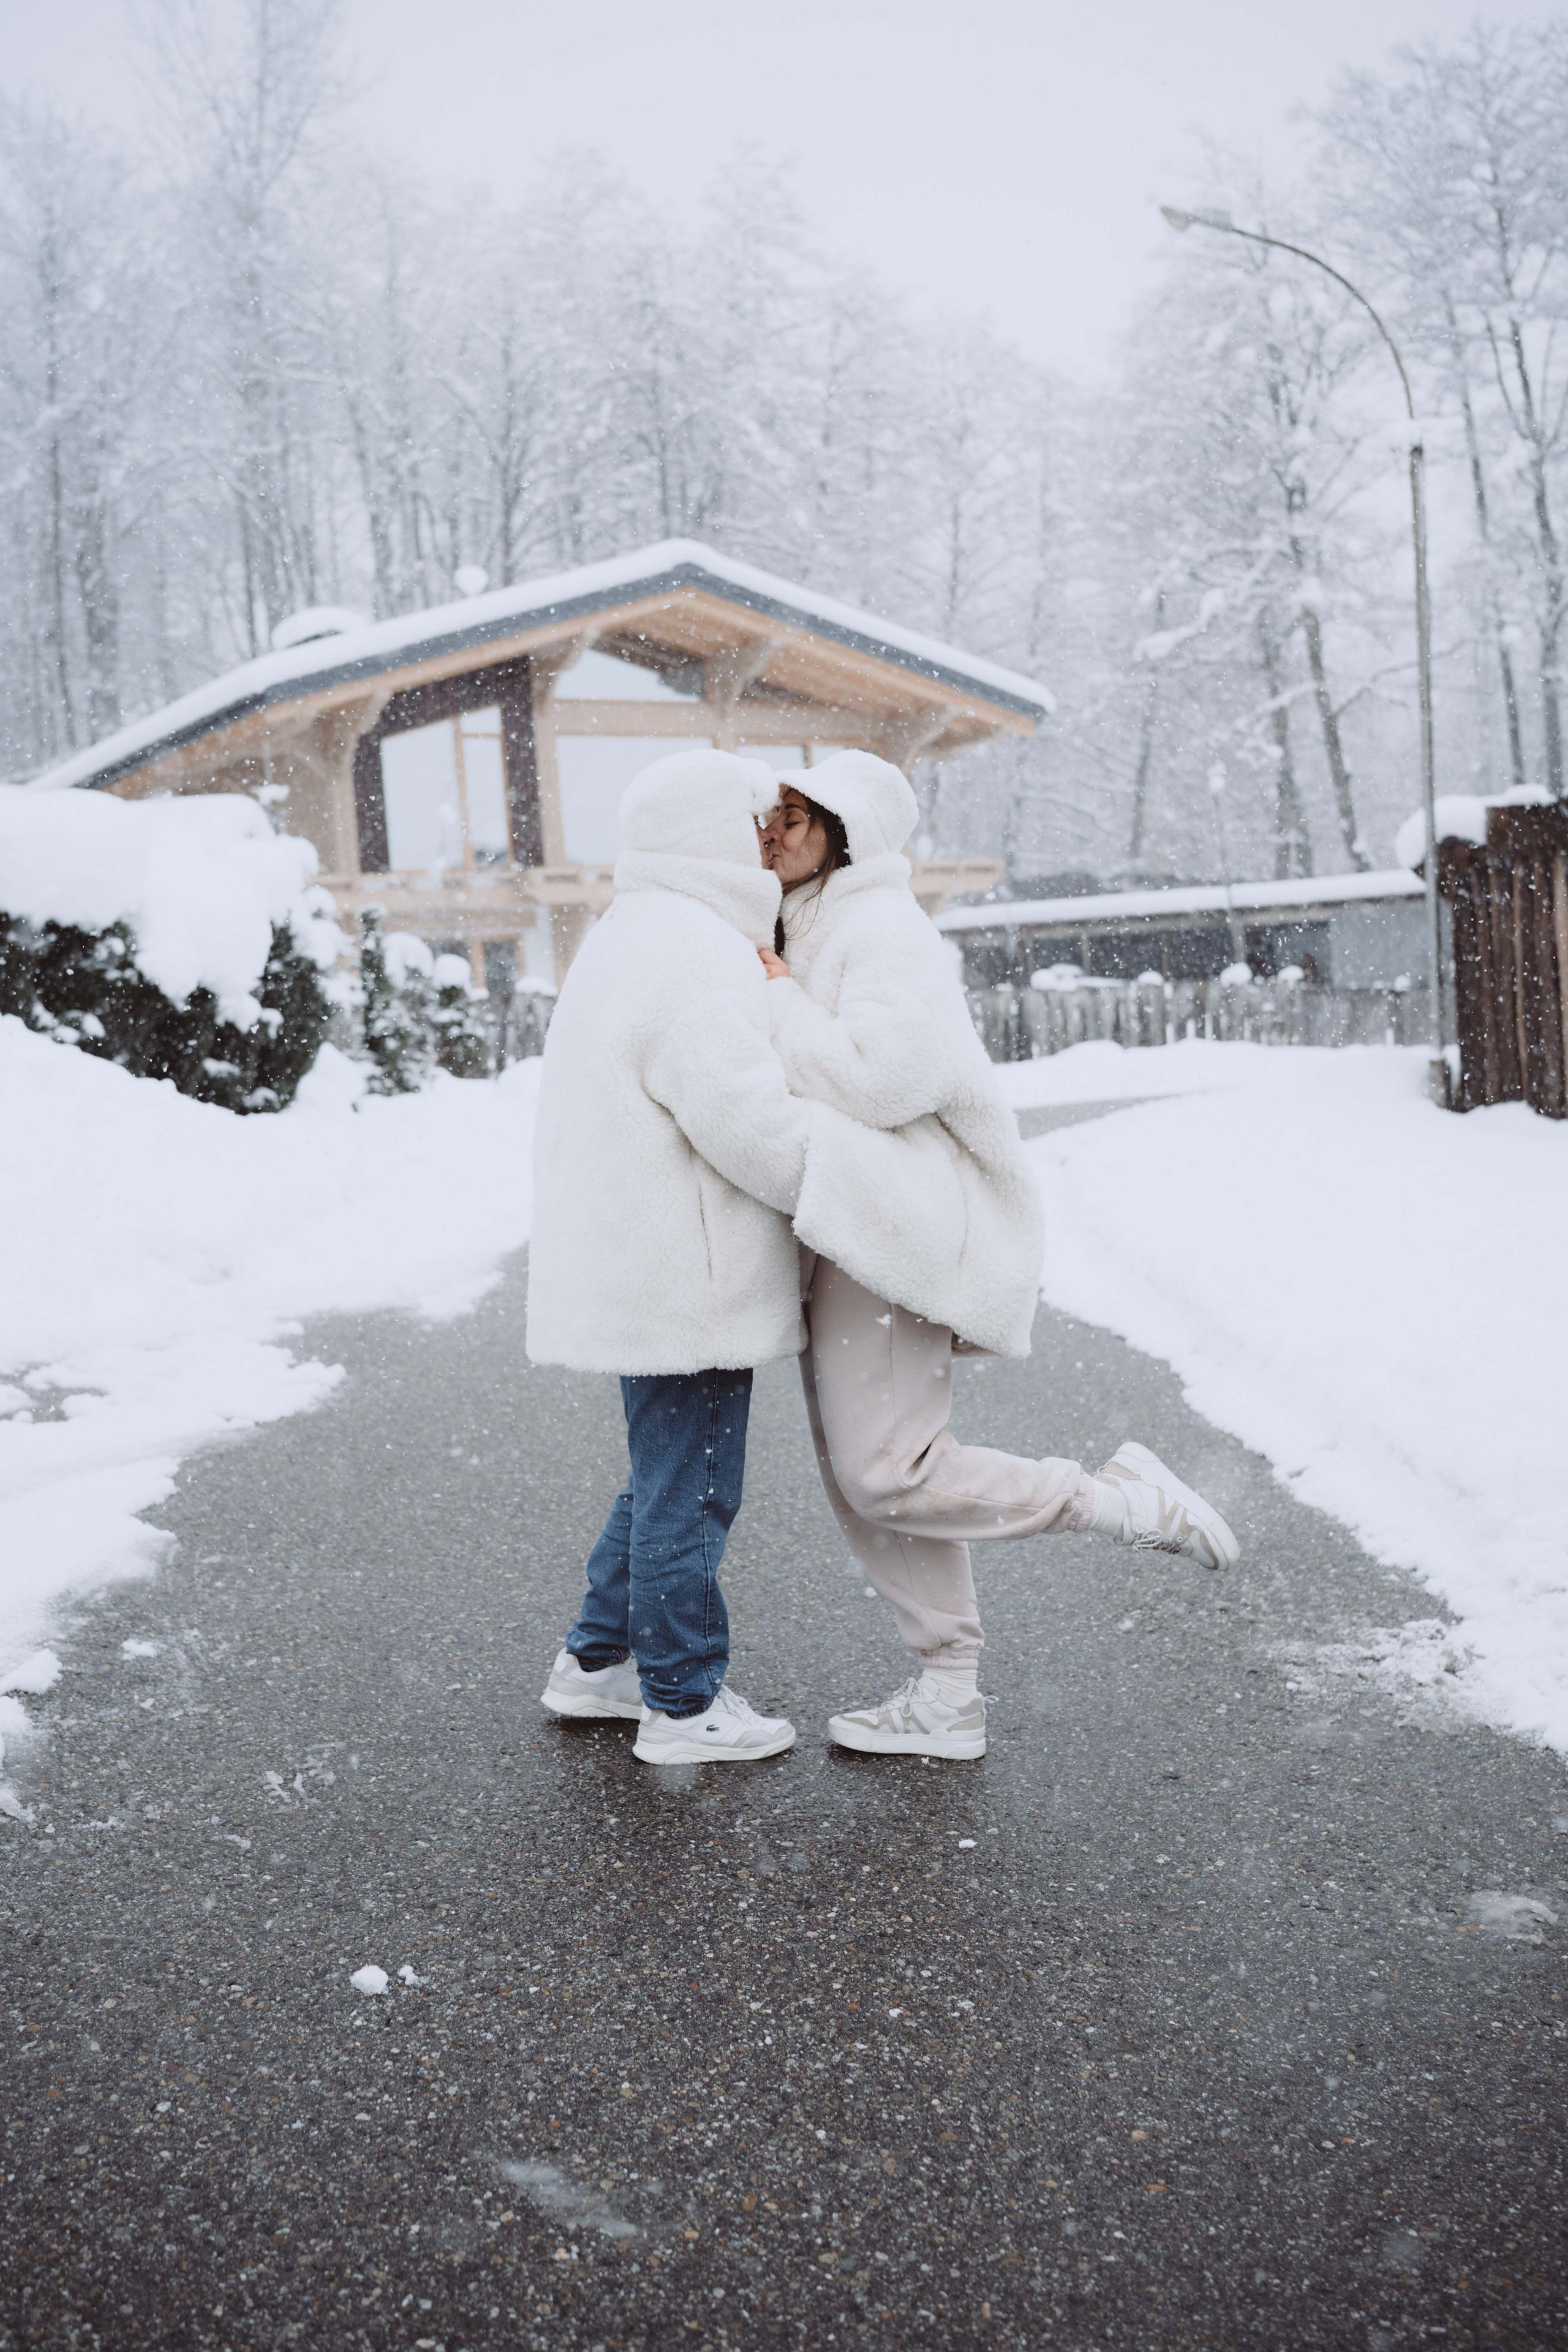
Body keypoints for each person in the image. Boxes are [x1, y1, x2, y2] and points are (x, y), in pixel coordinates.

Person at [758, 751, 1239, 1763]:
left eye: (798, 817)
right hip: (848, 1224)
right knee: (870, 1477)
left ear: (851, 832)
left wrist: (779, 1001)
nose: (774, 830)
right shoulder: (808, 921)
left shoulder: (882, 928)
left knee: (890, 1471)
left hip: (895, 1229)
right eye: (774, 813)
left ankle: (1118, 1503)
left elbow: (886, 1080)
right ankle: (947, 1692)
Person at [527, 747, 856, 1766]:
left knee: (661, 1473)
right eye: (754, 823)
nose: (767, 840)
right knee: (697, 1482)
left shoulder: (635, 932)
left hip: (645, 1258)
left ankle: (598, 1664)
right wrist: (855, 1183)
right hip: (691, 1271)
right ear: (714, 833)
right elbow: (745, 1121)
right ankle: (682, 1702)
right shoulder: (693, 950)